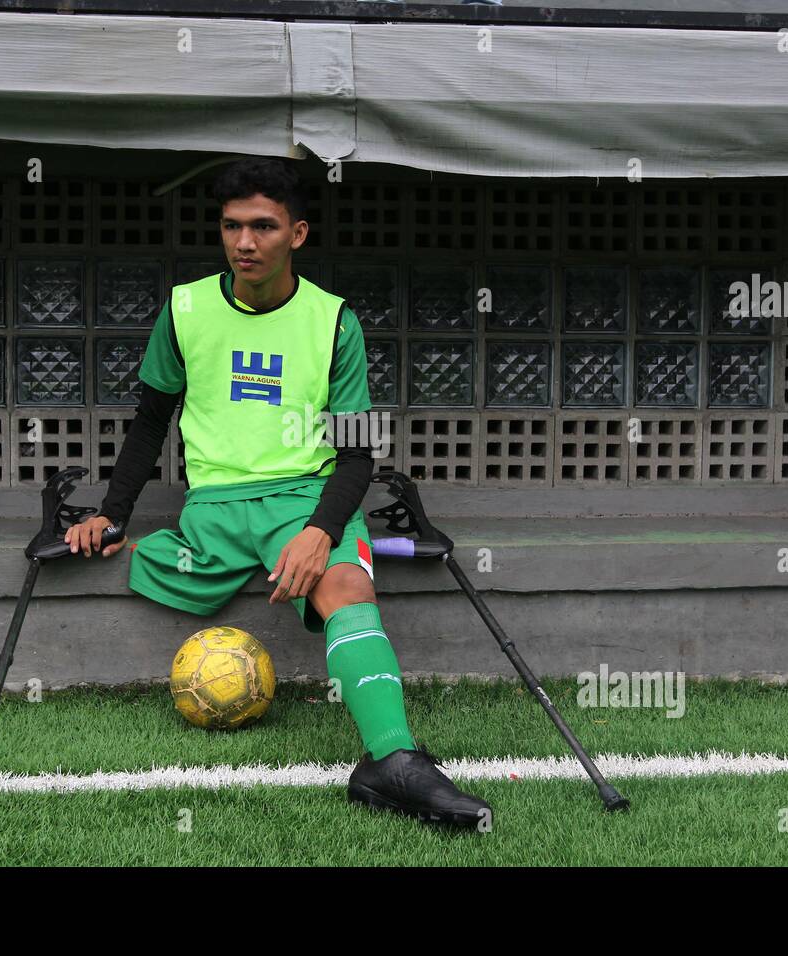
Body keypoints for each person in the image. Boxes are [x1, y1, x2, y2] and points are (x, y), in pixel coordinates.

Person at [64, 157, 491, 829]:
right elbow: (151, 421)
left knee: (347, 583)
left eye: (263, 227)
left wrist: (321, 530)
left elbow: (356, 454)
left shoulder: (334, 322)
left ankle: (393, 761)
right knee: (145, 557)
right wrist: (111, 514)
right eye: (232, 226)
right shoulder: (185, 309)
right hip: (212, 508)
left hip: (304, 497)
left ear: (297, 233)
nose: (244, 243)